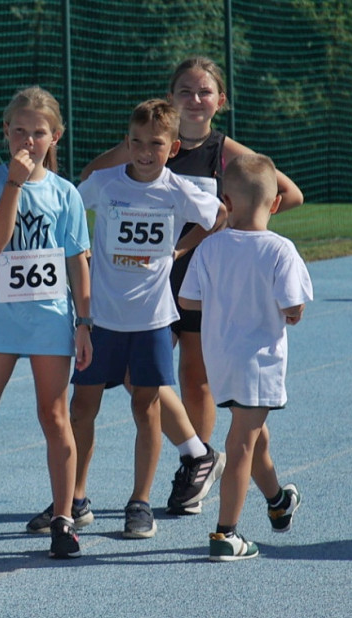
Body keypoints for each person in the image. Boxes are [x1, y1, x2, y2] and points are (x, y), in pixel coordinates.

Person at [78, 56, 304, 516]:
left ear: (220, 101)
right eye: (185, 91)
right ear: (171, 97)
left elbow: (288, 193)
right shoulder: (152, 144)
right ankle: (195, 453)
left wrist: (239, 225)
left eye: (205, 92)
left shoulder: (227, 151)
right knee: (138, 374)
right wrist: (130, 153)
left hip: (203, 276)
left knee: (194, 378)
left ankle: (197, 467)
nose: (195, 99)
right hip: (143, 281)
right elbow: (91, 178)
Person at [70, 99, 225, 539]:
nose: (143, 151)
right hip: (101, 318)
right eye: (136, 142)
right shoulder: (104, 184)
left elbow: (219, 216)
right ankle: (75, 499)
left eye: (155, 144)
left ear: (172, 147)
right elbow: (71, 208)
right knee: (82, 409)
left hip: (153, 319)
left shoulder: (178, 190)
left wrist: (179, 249)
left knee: (147, 407)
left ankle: (139, 503)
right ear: (127, 142)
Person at [0, 86, 93, 559]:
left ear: (56, 136)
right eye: (20, 131)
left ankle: (63, 518)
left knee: (55, 417)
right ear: (5, 132)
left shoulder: (66, 193)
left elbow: (78, 261)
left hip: (48, 318)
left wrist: (85, 321)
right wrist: (14, 183)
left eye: (39, 133)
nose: (29, 141)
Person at [178, 153, 312, 560]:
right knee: (240, 443)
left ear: (227, 202)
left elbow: (188, 300)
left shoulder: (210, 247)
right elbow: (294, 310)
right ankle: (225, 533)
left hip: (219, 361)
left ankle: (277, 500)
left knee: (254, 436)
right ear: (274, 204)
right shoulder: (280, 249)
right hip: (258, 363)